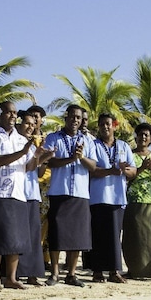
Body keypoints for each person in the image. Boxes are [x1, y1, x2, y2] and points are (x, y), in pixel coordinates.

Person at [0, 101, 44, 289]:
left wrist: (39, 155)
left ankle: (12, 278)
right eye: (9, 112)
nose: (13, 116)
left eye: (15, 113)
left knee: (16, 237)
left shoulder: (22, 140)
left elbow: (29, 167)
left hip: (17, 193)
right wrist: (22, 152)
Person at [43, 104, 94, 287]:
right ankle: (55, 273)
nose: (75, 120)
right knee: (57, 234)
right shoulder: (53, 138)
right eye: (72, 116)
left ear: (81, 121)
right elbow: (48, 161)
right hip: (59, 191)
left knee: (77, 236)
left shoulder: (88, 140)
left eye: (78, 118)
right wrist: (71, 159)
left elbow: (94, 166)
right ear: (66, 117)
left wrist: (81, 158)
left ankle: (71, 274)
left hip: (80, 193)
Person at [82, 112, 135, 284]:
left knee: (114, 236)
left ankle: (114, 271)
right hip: (98, 196)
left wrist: (123, 170)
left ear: (114, 125)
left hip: (118, 198)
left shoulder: (124, 146)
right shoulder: (92, 145)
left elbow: (133, 171)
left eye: (108, 124)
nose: (105, 127)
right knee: (97, 236)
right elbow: (92, 170)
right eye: (102, 124)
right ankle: (97, 271)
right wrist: (112, 170)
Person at [123, 123, 151, 280]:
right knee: (134, 236)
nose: (143, 137)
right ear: (136, 137)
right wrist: (142, 168)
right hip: (135, 199)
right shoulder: (129, 154)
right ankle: (133, 270)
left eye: (146, 135)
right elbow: (128, 175)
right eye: (140, 134)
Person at [20, 105, 51, 284]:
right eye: (28, 121)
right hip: (18, 192)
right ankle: (15, 271)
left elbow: (38, 172)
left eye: (35, 121)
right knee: (20, 234)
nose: (31, 125)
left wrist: (45, 157)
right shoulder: (18, 141)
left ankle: (32, 272)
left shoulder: (39, 142)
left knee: (35, 233)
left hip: (34, 192)